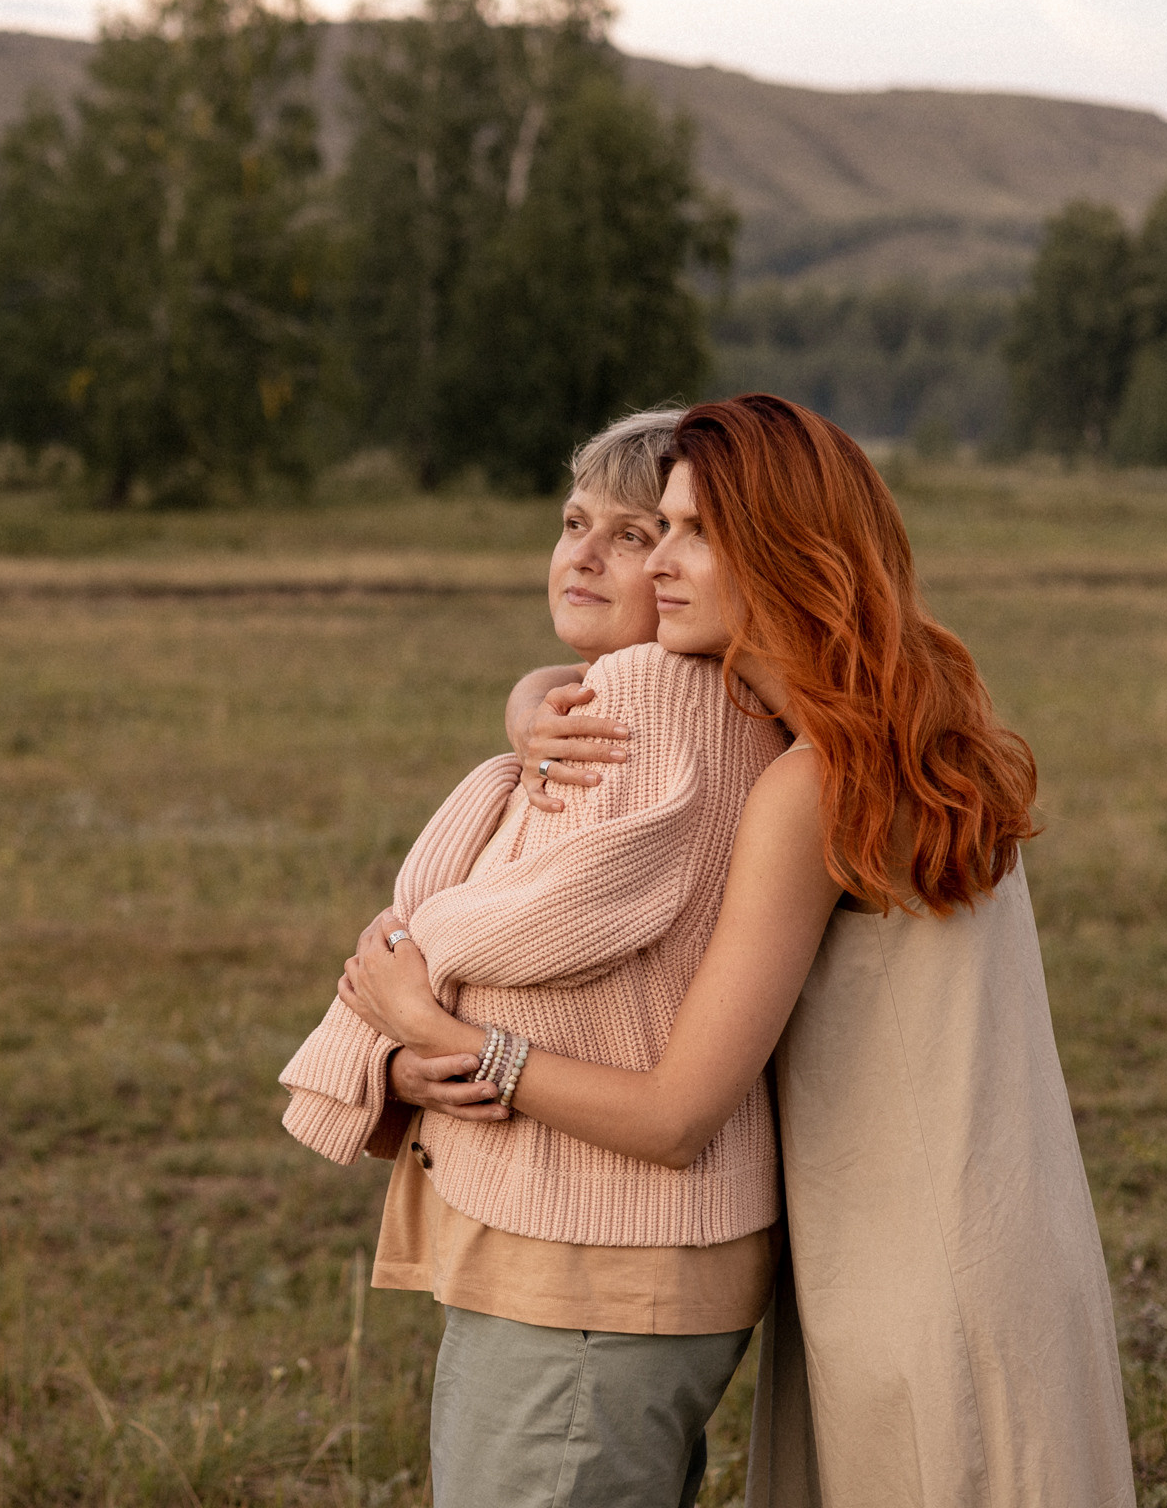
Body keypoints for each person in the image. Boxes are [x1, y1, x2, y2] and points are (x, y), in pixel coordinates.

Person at [340, 394, 1138, 1508]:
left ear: (784, 552)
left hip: (911, 1273)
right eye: (653, 528)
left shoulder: (810, 783)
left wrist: (445, 1033)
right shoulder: (898, 732)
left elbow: (676, 1113)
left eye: (692, 532)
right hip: (994, 1237)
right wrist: (532, 703)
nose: (655, 559)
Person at [278, 407, 792, 1508]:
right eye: (573, 521)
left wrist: (402, 972)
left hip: (591, 1262)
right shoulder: (669, 693)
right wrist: (412, 1047)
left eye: (641, 531)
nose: (585, 552)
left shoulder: (654, 694)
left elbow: (558, 910)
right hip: (609, 1255)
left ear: (712, 556)